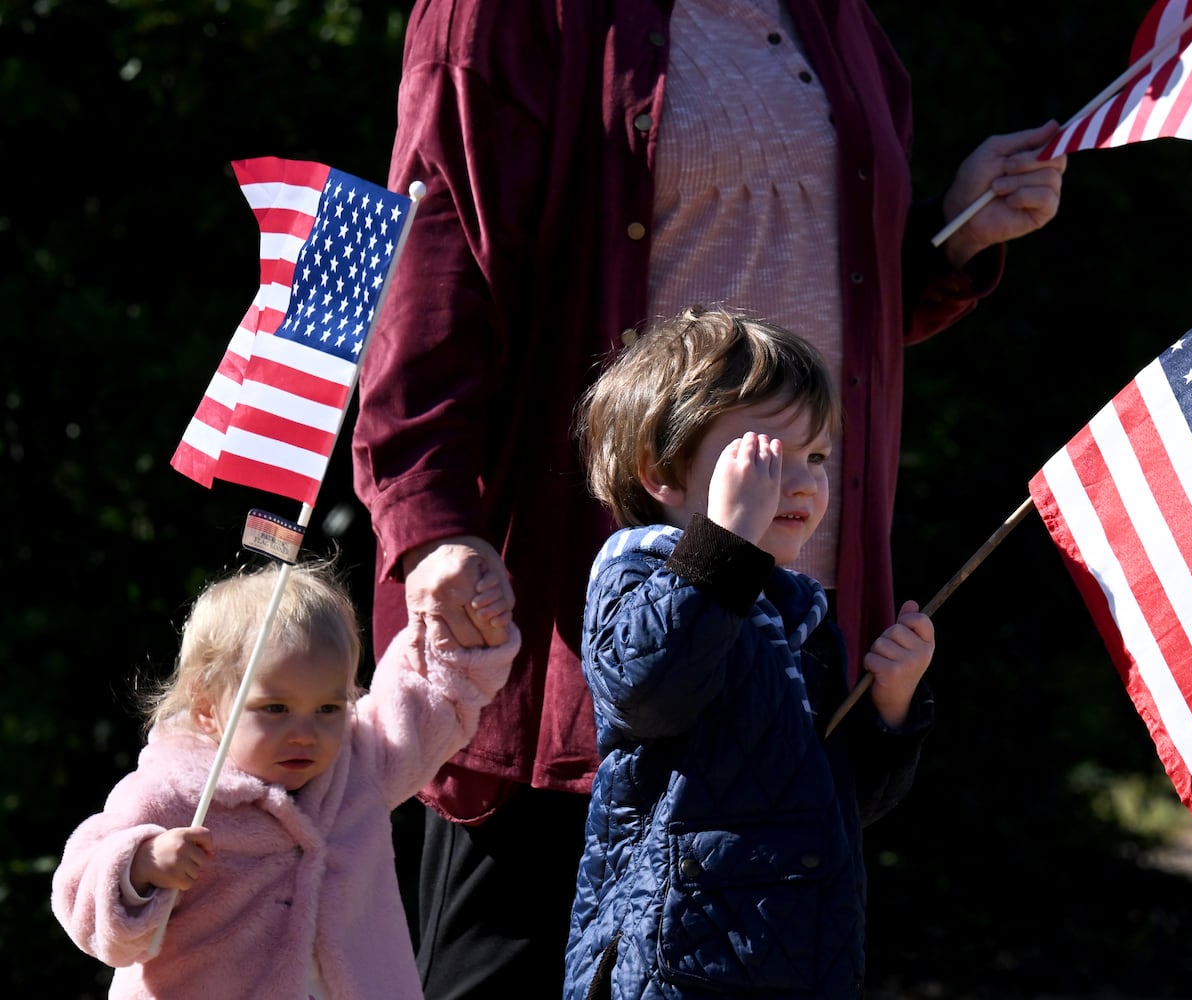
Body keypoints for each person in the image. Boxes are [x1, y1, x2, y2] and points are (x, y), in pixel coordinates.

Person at [351, 0, 1065, 992]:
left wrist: (948, 241)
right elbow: (431, 284)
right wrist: (429, 528)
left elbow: (812, 299)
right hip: (582, 629)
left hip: (787, 640)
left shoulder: (838, 17)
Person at [565, 306, 935, 997]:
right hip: (674, 954)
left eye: (816, 456)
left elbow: (845, 799)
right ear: (660, 472)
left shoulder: (795, 606)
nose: (800, 482)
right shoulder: (636, 570)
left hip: (798, 949)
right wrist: (723, 542)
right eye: (764, 457)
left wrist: (889, 708)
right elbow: (648, 693)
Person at [50, 550, 519, 999]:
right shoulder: (172, 792)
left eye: (328, 708)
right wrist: (141, 865)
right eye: (275, 708)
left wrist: (461, 627)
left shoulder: (358, 764)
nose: (305, 733)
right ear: (206, 706)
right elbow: (80, 896)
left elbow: (427, 697)